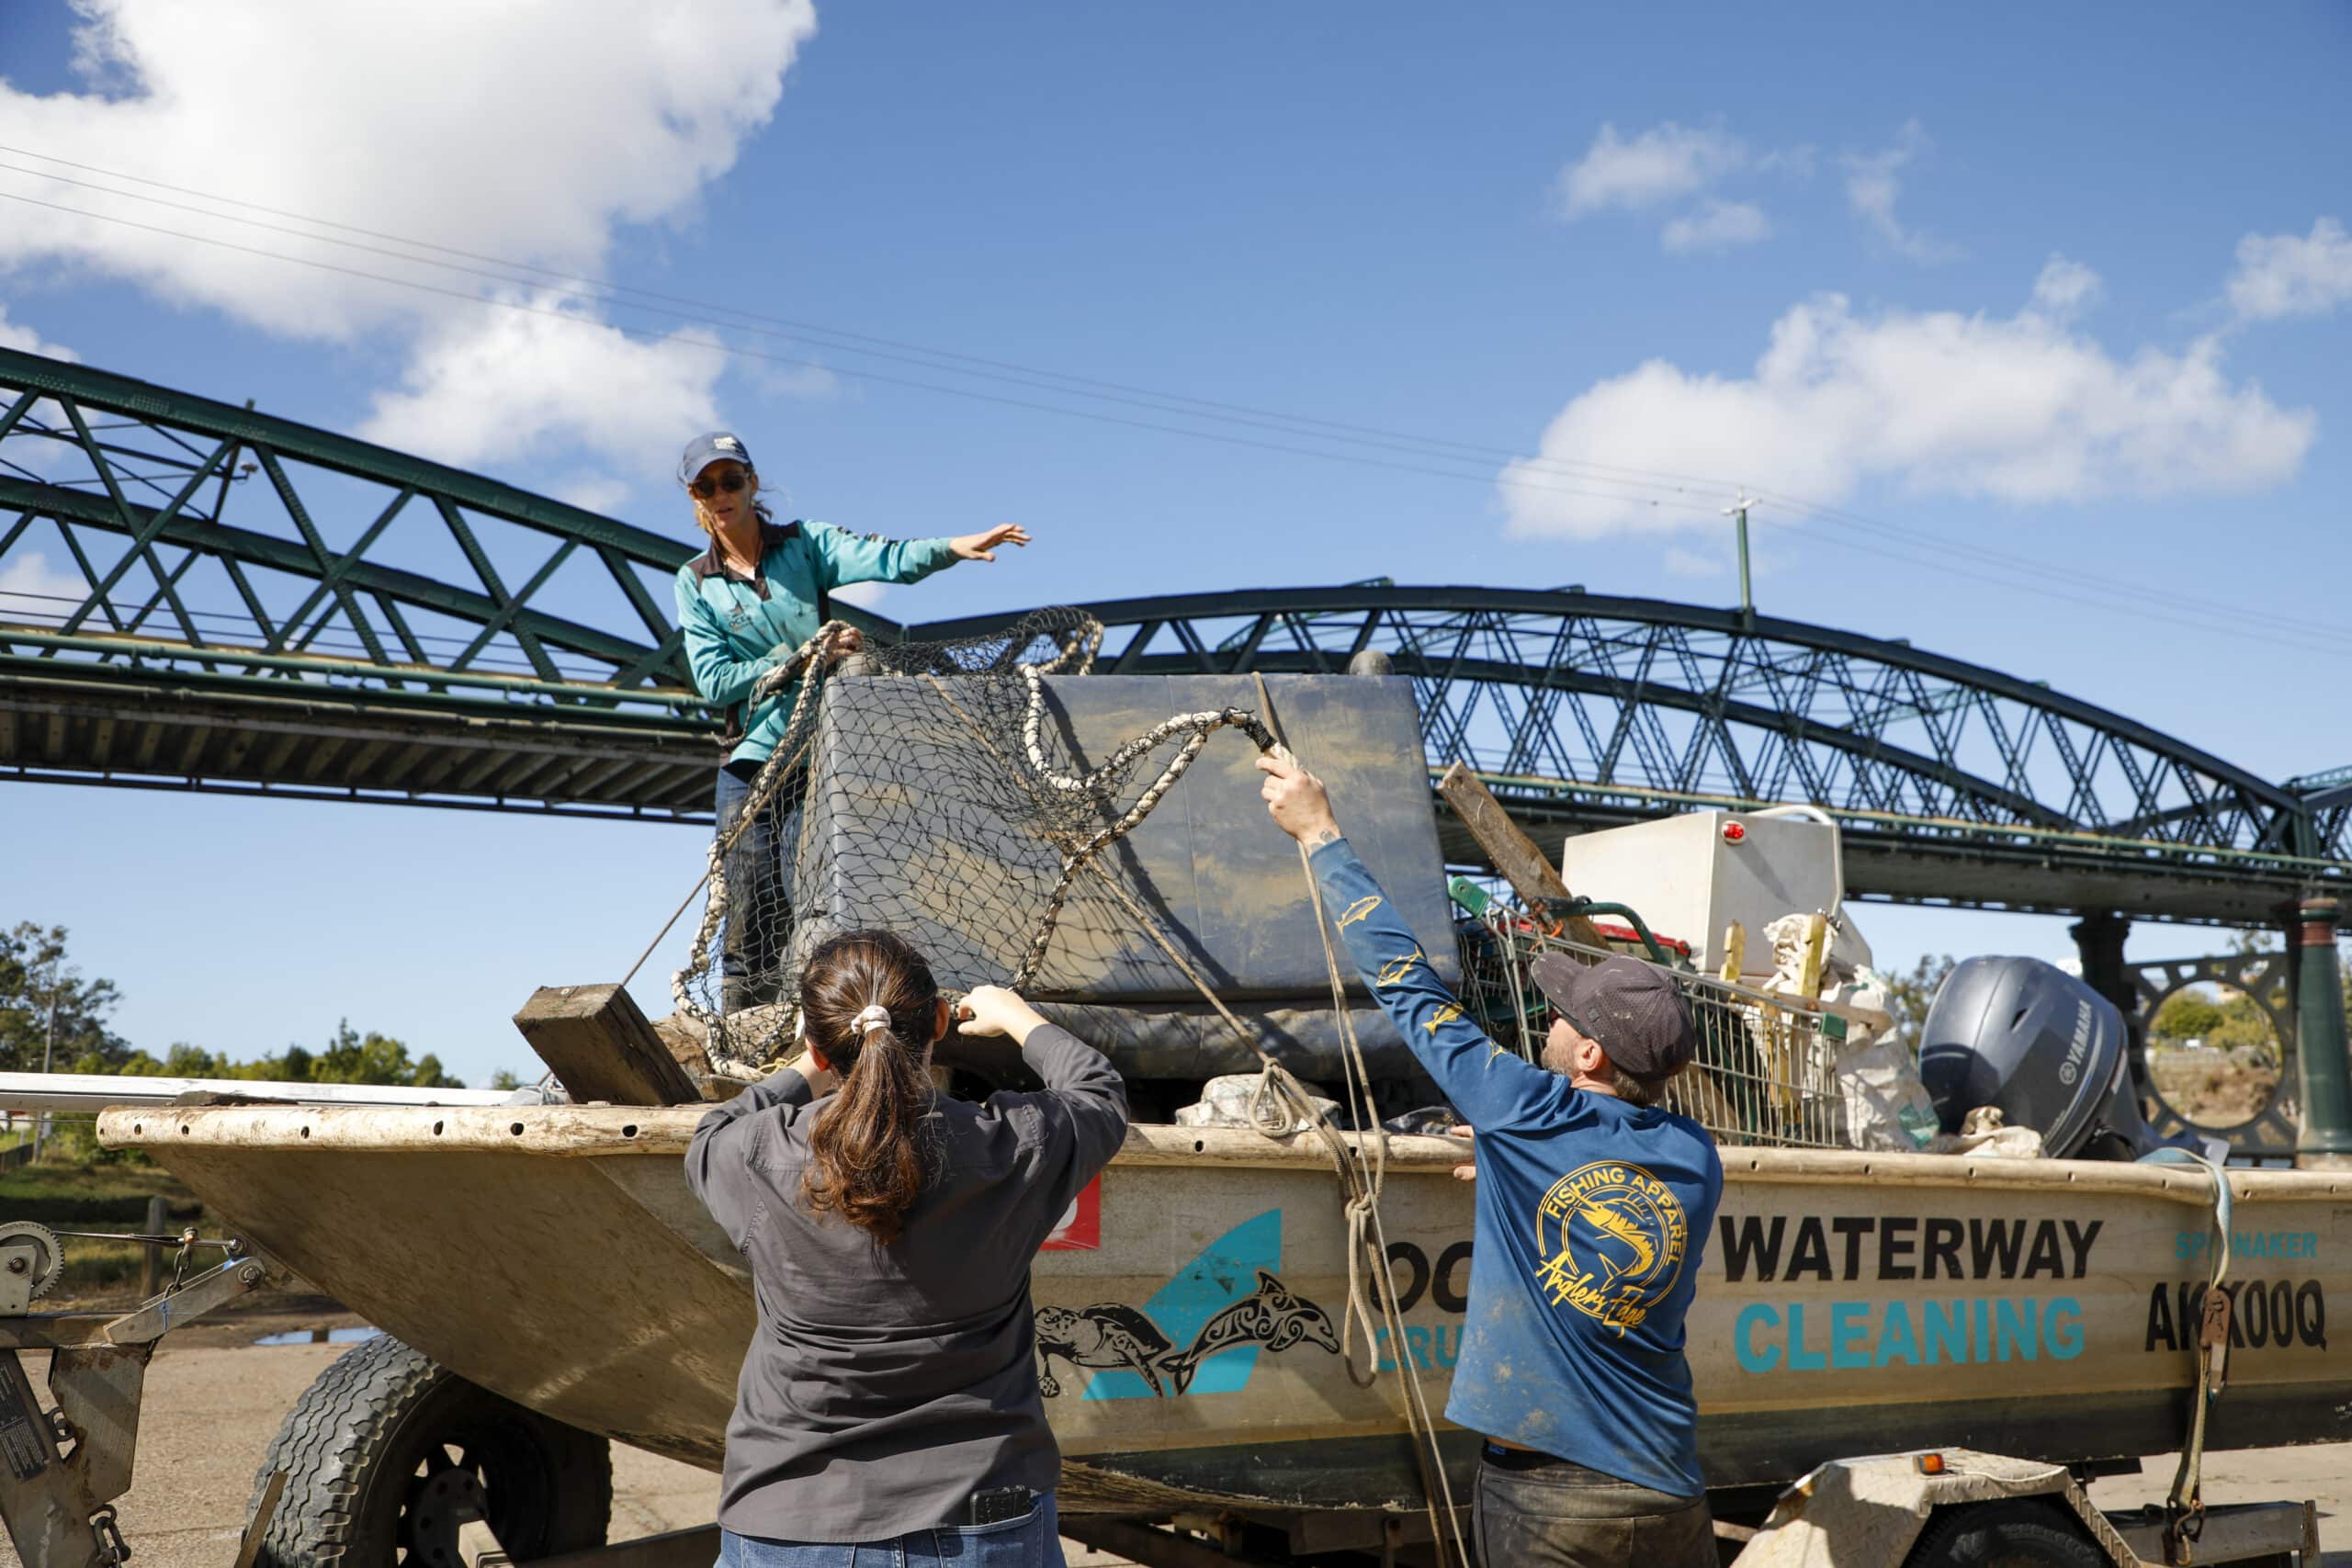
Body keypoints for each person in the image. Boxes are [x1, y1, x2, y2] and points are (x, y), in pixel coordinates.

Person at [1256, 750, 1724, 1568]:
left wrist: (1321, 832)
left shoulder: (1527, 1110)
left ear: (1589, 1058)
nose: (1551, 1017)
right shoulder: (1695, 1157)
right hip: (1670, 1484)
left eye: (1567, 1016)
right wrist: (1512, 1161)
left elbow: (1408, 986)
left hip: (1551, 1496)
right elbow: (1598, 1174)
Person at [684, 929, 1126, 1568]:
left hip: (791, 1518)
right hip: (986, 1519)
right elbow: (1098, 1093)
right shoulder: (1011, 1148)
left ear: (817, 1043)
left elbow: (711, 1130)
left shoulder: (757, 1155)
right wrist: (1017, 1016)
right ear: (941, 1021)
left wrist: (814, 1064)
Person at [670, 430, 1033, 1010]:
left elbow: (883, 557)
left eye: (731, 480)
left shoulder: (804, 545)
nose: (721, 494)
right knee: (743, 909)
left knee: (806, 902)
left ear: (752, 483)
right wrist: (796, 659)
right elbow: (713, 680)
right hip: (749, 765)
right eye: (705, 485)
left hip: (818, 758)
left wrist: (952, 548)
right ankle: (741, 1032)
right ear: (694, 498)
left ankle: (806, 1034)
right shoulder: (695, 581)